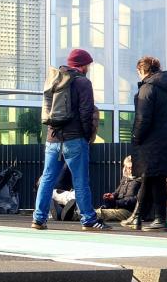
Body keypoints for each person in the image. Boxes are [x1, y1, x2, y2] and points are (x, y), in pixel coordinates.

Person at [32, 48, 110, 231]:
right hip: (74, 139)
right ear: (83, 65)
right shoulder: (83, 83)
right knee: (81, 181)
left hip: (52, 138)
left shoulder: (55, 79)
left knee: (47, 179)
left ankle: (38, 219)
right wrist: (85, 135)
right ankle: (89, 220)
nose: (89, 68)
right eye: (88, 65)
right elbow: (86, 112)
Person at [128, 56, 167, 232]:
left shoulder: (148, 88)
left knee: (154, 179)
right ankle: (141, 217)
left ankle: (158, 220)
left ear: (143, 70)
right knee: (157, 178)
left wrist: (136, 137)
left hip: (151, 140)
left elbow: (143, 118)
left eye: (138, 72)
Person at [95, 156, 141, 222]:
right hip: (119, 208)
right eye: (129, 168)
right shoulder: (125, 178)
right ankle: (76, 214)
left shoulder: (140, 180)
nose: (131, 170)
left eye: (133, 168)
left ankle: (77, 215)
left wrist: (116, 203)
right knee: (94, 211)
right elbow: (117, 192)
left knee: (100, 213)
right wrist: (112, 196)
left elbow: (136, 200)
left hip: (130, 212)